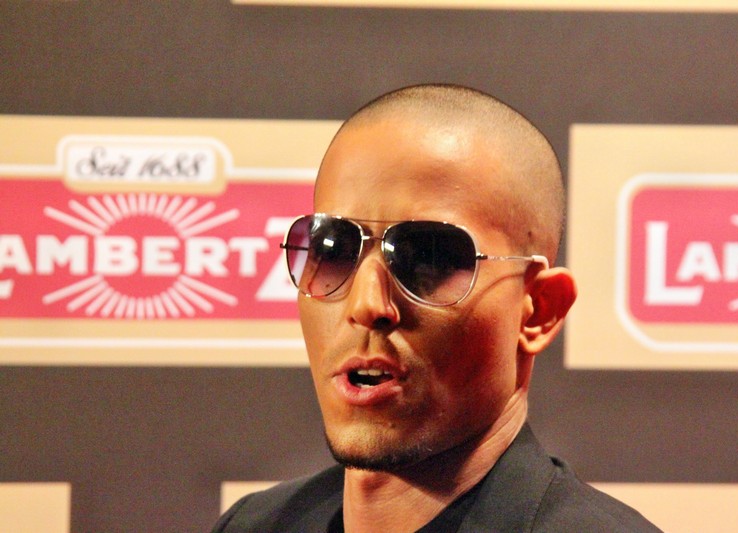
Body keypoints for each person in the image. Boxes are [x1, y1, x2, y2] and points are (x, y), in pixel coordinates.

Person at [212, 84, 661, 532]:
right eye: (334, 250)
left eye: (428, 258)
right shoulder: (253, 526)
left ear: (539, 311)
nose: (367, 304)